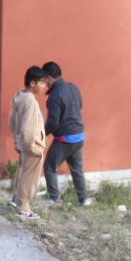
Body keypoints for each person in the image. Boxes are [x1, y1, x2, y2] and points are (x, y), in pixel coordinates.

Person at [42, 61, 90, 207]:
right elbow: (79, 106)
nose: (44, 83)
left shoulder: (54, 96)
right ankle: (83, 199)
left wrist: (41, 133)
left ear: (49, 78)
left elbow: (53, 122)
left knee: (49, 166)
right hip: (79, 136)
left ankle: (55, 199)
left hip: (65, 139)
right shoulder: (73, 87)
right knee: (77, 169)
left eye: (44, 80)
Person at [9, 66, 49, 219]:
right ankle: (23, 209)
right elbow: (29, 127)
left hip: (23, 143)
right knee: (30, 177)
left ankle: (16, 199)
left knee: (22, 172)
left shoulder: (20, 96)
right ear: (33, 83)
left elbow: (12, 120)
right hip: (31, 145)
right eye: (42, 83)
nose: (44, 86)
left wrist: (17, 139)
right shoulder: (30, 101)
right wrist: (32, 146)